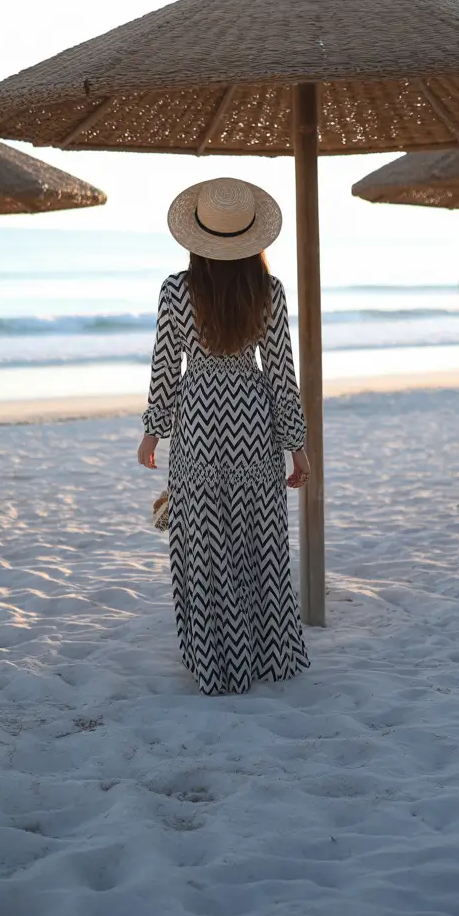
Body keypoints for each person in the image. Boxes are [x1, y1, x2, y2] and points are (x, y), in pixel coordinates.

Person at [138, 176, 311, 696]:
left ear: (197, 236)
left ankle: (216, 659)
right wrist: (297, 448)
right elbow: (281, 373)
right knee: (258, 539)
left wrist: (153, 431)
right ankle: (267, 655)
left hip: (197, 419)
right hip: (253, 419)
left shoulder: (176, 290)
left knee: (204, 540)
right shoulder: (268, 291)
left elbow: (165, 366)